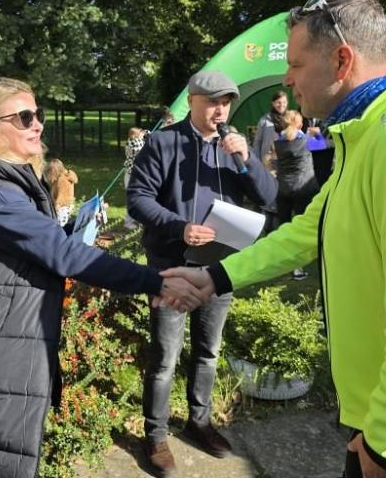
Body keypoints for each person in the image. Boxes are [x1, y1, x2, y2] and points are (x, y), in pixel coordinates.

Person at [162, 0, 386, 478]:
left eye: (295, 65)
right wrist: (218, 277)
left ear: (342, 60)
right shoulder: (370, 131)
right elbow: (312, 228)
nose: (286, 80)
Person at [0, 77, 203, 478]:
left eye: (39, 115)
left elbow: (38, 246)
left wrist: (75, 227)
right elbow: (61, 254)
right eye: (25, 116)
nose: (38, 124)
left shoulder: (2, 183)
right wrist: (157, 282)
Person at [127, 69, 277, 477]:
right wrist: (179, 227)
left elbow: (269, 198)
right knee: (165, 358)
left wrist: (246, 159)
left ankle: (199, 421)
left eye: (226, 101)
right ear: (192, 100)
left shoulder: (233, 149)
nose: (220, 109)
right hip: (171, 267)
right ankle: (156, 436)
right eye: (213, 100)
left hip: (219, 269)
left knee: (208, 353)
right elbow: (137, 198)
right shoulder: (163, 143)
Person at [272, 110, 320, 281]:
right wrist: (318, 134)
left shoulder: (278, 141)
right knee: (302, 227)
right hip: (303, 188)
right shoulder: (308, 141)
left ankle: (284, 261)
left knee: (284, 226)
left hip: (283, 187)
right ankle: (299, 265)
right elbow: (324, 146)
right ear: (300, 124)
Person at [252, 90, 289, 163]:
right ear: (273, 103)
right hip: (269, 161)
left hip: (286, 160)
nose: (281, 105)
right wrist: (257, 161)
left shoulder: (290, 119)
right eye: (278, 102)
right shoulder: (264, 120)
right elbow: (258, 142)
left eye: (284, 102)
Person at [122, 127, 148, 229]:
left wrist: (145, 133)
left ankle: (140, 220)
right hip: (133, 175)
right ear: (136, 135)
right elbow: (143, 149)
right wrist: (144, 137)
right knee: (133, 198)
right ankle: (128, 222)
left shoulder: (132, 141)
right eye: (140, 133)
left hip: (134, 174)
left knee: (140, 198)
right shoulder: (135, 143)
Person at [44, 158, 78, 227]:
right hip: (67, 205)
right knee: (64, 223)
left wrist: (55, 207)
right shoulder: (67, 175)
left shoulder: (62, 181)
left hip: (62, 208)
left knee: (60, 226)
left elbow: (61, 197)